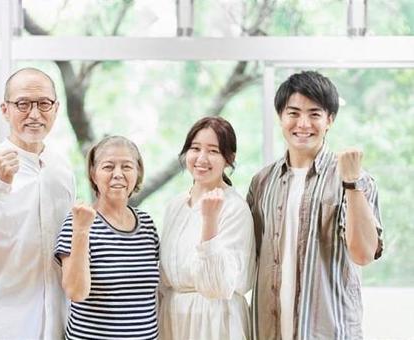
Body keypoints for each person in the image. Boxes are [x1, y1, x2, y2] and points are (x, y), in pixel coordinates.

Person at [247, 71, 384, 340]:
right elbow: (250, 256)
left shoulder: (355, 178)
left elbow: (363, 254)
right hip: (268, 330)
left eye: (315, 114)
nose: (303, 123)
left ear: (329, 120)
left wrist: (352, 183)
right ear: (280, 117)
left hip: (328, 332)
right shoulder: (262, 182)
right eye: (294, 113)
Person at [0, 67, 75, 339]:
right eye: (23, 104)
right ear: (5, 110)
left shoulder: (62, 170)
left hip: (54, 323)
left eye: (44, 103)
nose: (34, 114)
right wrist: (0, 185)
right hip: (0, 324)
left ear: (56, 108)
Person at [159, 116, 256, 340]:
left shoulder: (234, 207)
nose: (201, 158)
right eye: (195, 148)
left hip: (215, 320)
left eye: (213, 151)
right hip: (174, 319)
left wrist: (209, 220)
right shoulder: (175, 205)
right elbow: (165, 278)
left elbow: (217, 286)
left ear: (229, 158)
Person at [54, 136, 160, 340]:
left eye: (127, 166)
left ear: (137, 173)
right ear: (94, 174)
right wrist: (82, 232)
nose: (118, 174)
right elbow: (75, 292)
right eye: (108, 166)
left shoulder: (147, 224)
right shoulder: (77, 222)